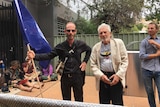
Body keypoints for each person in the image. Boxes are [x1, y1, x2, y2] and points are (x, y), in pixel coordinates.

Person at [27, 22, 91, 102]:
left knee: (79, 101)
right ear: (65, 32)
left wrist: (85, 62)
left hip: (77, 76)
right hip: (65, 77)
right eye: (68, 31)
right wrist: (35, 56)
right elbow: (48, 55)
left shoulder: (80, 44)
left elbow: (89, 50)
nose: (70, 33)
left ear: (75, 32)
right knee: (66, 102)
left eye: (72, 30)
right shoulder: (61, 47)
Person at [90, 23, 128, 105]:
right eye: (101, 33)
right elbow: (93, 64)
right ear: (99, 35)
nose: (103, 34)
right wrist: (101, 76)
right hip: (103, 78)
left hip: (116, 78)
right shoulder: (96, 48)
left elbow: (125, 60)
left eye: (105, 32)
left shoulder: (118, 43)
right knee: (104, 103)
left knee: (117, 103)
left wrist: (118, 75)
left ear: (110, 33)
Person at [139, 22, 160, 107]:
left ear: (157, 29)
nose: (150, 30)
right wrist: (156, 55)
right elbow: (141, 55)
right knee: (149, 91)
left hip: (159, 70)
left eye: (152, 28)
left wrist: (155, 44)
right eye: (148, 28)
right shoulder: (144, 42)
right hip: (147, 70)